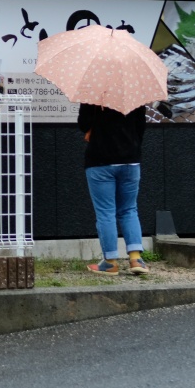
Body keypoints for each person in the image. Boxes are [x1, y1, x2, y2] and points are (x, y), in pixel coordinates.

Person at [76, 103, 149, 276]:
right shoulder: (133, 93)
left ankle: (110, 262)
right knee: (129, 209)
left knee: (105, 212)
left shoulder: (93, 94)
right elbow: (140, 127)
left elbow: (83, 125)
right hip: (130, 161)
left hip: (100, 161)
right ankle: (136, 259)